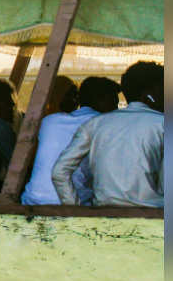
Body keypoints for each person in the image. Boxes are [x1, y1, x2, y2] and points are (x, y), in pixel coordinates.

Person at [52, 61, 164, 208]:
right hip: (152, 220)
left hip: (104, 219)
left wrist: (77, 210)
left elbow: (60, 171)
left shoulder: (95, 124)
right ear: (149, 93)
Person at [22, 76, 122, 205]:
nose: (116, 110)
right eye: (113, 104)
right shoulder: (103, 123)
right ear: (99, 101)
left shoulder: (50, 121)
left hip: (32, 200)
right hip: (73, 205)